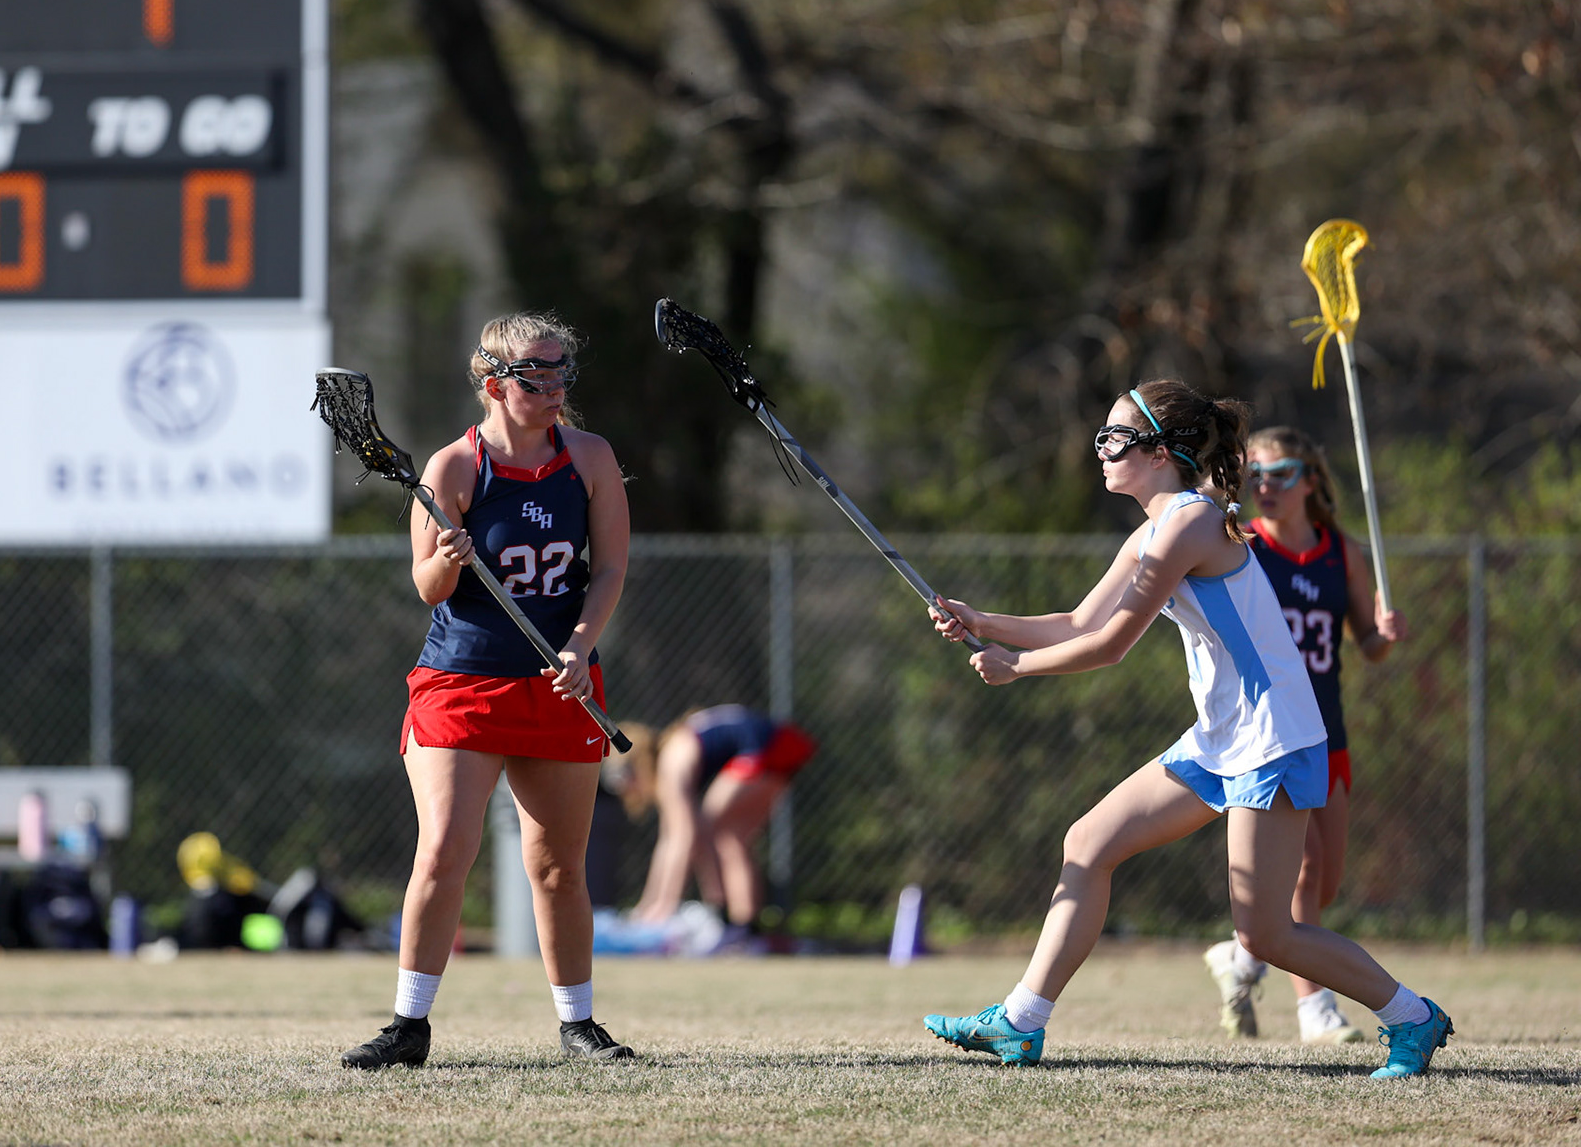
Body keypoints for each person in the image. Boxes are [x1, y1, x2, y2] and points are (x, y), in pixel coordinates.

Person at [919, 380, 1452, 1080]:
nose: (1101, 450)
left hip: (1273, 736)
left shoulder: (1190, 524)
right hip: (1223, 736)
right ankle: (1021, 1022)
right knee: (1088, 841)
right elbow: (1079, 621)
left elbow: (1111, 644)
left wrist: (1017, 668)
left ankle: (1414, 1018)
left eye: (1114, 437)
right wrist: (981, 620)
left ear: (1161, 451)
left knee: (1265, 932)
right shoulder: (1158, 527)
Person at [340, 311, 634, 1070]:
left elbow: (608, 570)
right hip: (462, 683)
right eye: (538, 373)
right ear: (494, 382)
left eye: (563, 369)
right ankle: (409, 1024)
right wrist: (450, 554)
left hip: (558, 682)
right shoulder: (453, 469)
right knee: (444, 849)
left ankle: (578, 1025)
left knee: (558, 866)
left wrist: (579, 647)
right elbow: (428, 588)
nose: (556, 386)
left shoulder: (591, 457)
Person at [1203, 427, 1409, 1044]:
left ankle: (1241, 959)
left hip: (1327, 730)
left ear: (1312, 480)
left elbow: (1366, 647)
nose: (1267, 486)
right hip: (1268, 730)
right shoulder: (1241, 547)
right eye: (1256, 475)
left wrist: (1383, 635)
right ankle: (1315, 1009)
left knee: (1325, 880)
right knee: (1304, 870)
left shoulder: (1340, 552)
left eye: (1283, 474)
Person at [610, 706, 817, 945]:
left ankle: (720, 916)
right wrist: (647, 905)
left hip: (765, 747)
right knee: (732, 837)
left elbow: (683, 839)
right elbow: (670, 840)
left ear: (639, 763)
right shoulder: (680, 746)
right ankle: (746, 927)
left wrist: (659, 911)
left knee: (708, 828)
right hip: (785, 744)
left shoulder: (672, 759)